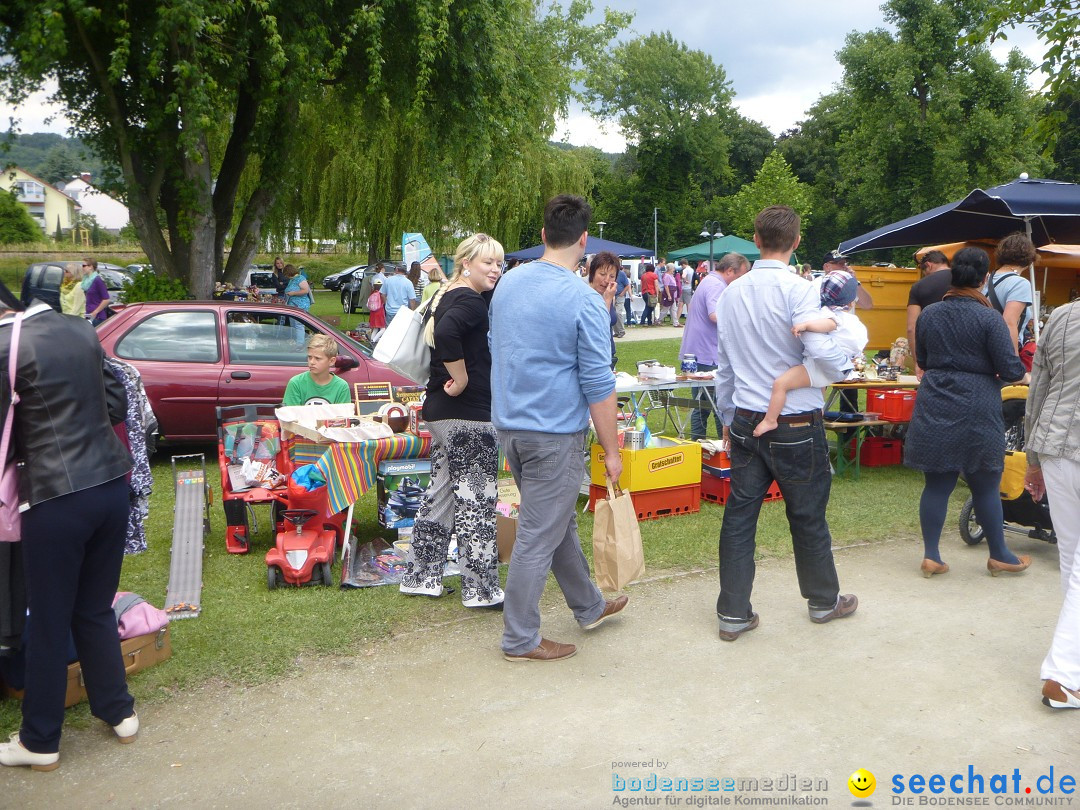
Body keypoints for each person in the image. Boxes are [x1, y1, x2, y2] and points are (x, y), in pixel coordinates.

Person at [0, 284, 138, 772]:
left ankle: (40, 740)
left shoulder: (6, 344)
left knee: (50, 619)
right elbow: (116, 404)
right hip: (109, 485)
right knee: (94, 607)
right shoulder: (81, 328)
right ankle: (118, 711)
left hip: (55, 495)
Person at [490, 194, 627, 663]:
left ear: (544, 234)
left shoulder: (507, 283)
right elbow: (598, 383)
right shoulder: (584, 300)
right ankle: (519, 639)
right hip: (552, 435)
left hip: (512, 428)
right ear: (584, 241)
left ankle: (589, 605)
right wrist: (612, 451)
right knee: (536, 535)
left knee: (555, 523)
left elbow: (499, 349)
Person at [714, 205, 857, 641]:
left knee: (740, 515)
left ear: (755, 240)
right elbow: (828, 356)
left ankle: (734, 612)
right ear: (796, 243)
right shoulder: (800, 291)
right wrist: (843, 357)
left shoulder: (731, 293)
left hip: (746, 417)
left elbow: (724, 367)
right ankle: (822, 600)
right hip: (794, 420)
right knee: (808, 514)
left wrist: (726, 414)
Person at [904, 247, 1029, 578]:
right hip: (978, 403)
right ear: (985, 279)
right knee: (985, 483)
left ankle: (932, 555)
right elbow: (1010, 368)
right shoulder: (989, 318)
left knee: (937, 483)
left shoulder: (930, 314)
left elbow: (925, 359)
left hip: (936, 399)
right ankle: (1000, 554)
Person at [399, 233, 506, 609]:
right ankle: (481, 590)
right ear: (466, 263)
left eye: (498, 262)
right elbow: (448, 333)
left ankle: (420, 576)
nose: (495, 269)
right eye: (487, 262)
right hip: (468, 415)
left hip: (442, 413)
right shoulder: (469, 302)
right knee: (477, 502)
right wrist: (461, 379)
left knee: (441, 495)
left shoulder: (448, 293)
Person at [1023, 298, 1080, 709]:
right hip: (1059, 445)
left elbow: (1036, 390)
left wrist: (1032, 459)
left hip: (1056, 447)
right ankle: (1063, 673)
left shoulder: (1062, 315)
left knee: (1072, 557)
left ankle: (1069, 667)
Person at [752, 269, 868, 437]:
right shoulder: (851, 319)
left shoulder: (830, 314)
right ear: (850, 302)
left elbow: (829, 325)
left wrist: (806, 325)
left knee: (781, 384)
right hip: (835, 370)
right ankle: (818, 416)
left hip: (817, 369)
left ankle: (770, 420)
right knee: (819, 391)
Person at [679, 252, 750, 440]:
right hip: (707, 354)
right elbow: (715, 315)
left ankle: (699, 447)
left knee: (701, 406)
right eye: (740, 276)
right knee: (719, 406)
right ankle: (721, 448)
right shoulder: (717, 285)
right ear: (729, 271)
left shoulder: (708, 281)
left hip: (698, 352)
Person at [986, 232, 1036, 352]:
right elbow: (1009, 323)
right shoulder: (1020, 283)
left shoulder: (987, 278)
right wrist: (1013, 359)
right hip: (999, 350)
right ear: (1029, 258)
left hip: (981, 347)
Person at [907, 250, 951, 377]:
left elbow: (912, 327)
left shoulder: (919, 286)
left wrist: (918, 363)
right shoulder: (964, 281)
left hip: (932, 352)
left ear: (929, 265)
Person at [282, 334, 351, 406]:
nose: (312, 362)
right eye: (309, 357)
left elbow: (343, 416)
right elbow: (290, 415)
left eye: (317, 358)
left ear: (332, 361)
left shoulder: (341, 387)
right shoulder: (296, 383)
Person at [587, 251, 620, 370]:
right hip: (592, 355)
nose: (606, 280)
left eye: (612, 276)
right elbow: (599, 324)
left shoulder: (608, 292)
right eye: (602, 274)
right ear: (592, 272)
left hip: (608, 351)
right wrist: (607, 300)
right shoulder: (584, 293)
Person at [282, 264, 312, 344]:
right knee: (293, 325)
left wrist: (294, 293)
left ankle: (300, 344)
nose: (286, 276)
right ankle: (296, 342)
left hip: (300, 305)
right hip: (292, 305)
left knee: (299, 325)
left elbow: (305, 290)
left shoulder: (300, 278)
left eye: (286, 274)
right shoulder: (292, 280)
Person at [82, 258, 112, 325]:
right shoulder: (85, 281)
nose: (82, 268)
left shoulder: (97, 280)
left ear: (91, 267)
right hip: (88, 314)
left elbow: (106, 299)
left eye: (84, 265)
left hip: (97, 317)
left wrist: (95, 312)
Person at [613, 263, 630, 337]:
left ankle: (621, 331)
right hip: (612, 295)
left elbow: (627, 285)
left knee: (618, 312)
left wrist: (622, 293)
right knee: (613, 313)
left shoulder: (622, 274)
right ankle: (616, 331)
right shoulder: (611, 273)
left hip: (620, 295)